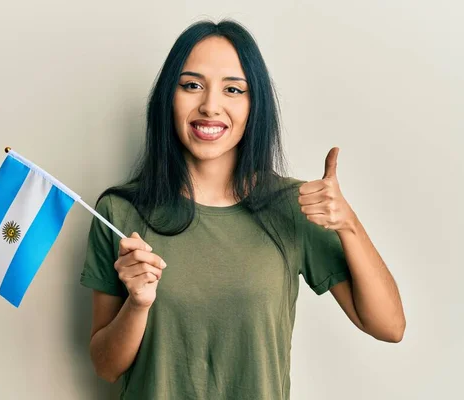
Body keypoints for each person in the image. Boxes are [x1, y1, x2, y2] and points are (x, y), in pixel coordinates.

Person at [79, 19, 406, 400]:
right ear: (169, 97)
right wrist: (137, 305)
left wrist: (348, 223)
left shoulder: (294, 206)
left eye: (233, 89)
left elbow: (389, 326)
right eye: (192, 85)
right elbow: (105, 367)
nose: (210, 106)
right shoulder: (120, 212)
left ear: (255, 105)